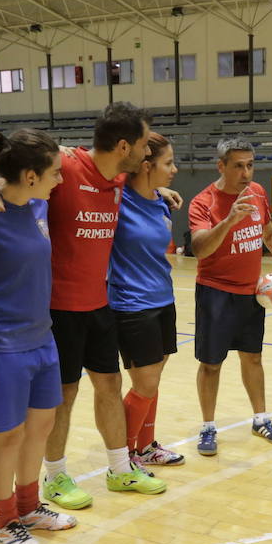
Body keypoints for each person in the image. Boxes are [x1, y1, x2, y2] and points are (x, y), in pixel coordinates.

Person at [0, 130, 77, 544]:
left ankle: (27, 508)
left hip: (40, 337)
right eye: (54, 174)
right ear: (29, 175)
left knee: (40, 426)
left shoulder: (38, 204)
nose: (60, 180)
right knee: (6, 436)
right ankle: (4, 521)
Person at [39, 103, 165, 509]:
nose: (148, 154)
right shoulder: (64, 166)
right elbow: (19, 170)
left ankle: (119, 468)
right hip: (59, 308)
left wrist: (162, 190)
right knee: (65, 393)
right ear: (124, 145)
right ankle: (54, 477)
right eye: (144, 145)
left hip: (99, 303)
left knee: (109, 386)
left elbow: (148, 185)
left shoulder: (118, 179)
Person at [188, 136, 272, 455]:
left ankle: (260, 418)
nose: (246, 173)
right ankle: (208, 427)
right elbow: (200, 248)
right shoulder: (203, 202)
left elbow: (268, 231)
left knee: (253, 357)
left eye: (250, 165)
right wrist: (230, 219)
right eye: (238, 166)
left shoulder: (258, 193)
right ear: (221, 166)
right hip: (215, 294)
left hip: (251, 293)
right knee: (211, 364)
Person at [111, 131, 184, 472]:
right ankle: (123, 458)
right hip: (131, 304)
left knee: (154, 379)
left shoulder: (159, 200)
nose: (175, 169)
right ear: (145, 165)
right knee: (144, 384)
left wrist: (161, 189)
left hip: (162, 299)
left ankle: (146, 447)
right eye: (168, 163)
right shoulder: (116, 198)